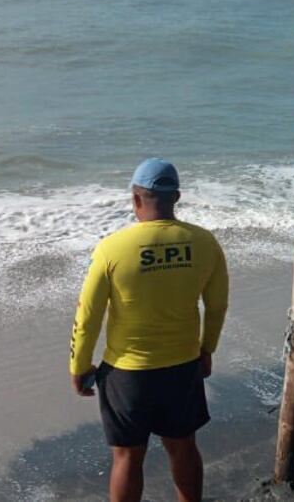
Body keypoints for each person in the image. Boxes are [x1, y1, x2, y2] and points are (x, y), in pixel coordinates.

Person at [69, 158, 229, 502]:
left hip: (127, 374)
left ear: (136, 199)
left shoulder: (112, 249)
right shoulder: (204, 243)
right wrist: (206, 350)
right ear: (177, 197)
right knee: (183, 447)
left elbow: (89, 316)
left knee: (127, 457)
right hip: (182, 366)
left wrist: (79, 365)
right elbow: (216, 307)